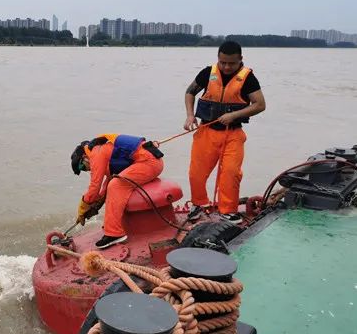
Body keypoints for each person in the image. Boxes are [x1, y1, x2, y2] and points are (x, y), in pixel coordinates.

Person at [183, 40, 266, 224]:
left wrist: (234, 114)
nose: (226, 67)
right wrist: (190, 116)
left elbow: (260, 105)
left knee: (230, 172)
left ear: (240, 60)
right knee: (196, 173)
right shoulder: (208, 73)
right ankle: (199, 204)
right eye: (223, 62)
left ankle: (228, 210)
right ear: (218, 59)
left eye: (231, 63)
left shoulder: (248, 78)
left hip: (233, 134)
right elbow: (190, 92)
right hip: (206, 131)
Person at [71, 134, 164, 248]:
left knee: (116, 185)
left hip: (148, 163)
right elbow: (105, 186)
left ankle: (114, 233)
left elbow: (95, 187)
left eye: (82, 167)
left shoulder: (96, 153)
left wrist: (83, 205)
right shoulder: (103, 147)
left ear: (84, 157)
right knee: (113, 184)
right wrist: (94, 206)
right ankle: (111, 226)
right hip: (148, 162)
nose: (86, 169)